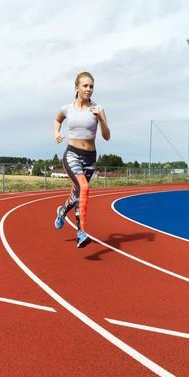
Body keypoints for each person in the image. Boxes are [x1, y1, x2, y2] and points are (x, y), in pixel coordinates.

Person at [53, 71, 111, 247]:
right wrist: (56, 132)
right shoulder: (67, 108)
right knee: (84, 188)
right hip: (72, 154)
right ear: (76, 87)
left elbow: (107, 136)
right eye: (85, 85)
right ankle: (81, 232)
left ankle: (62, 211)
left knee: (78, 194)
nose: (89, 89)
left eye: (91, 86)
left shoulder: (98, 109)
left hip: (90, 157)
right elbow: (57, 120)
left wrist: (101, 119)